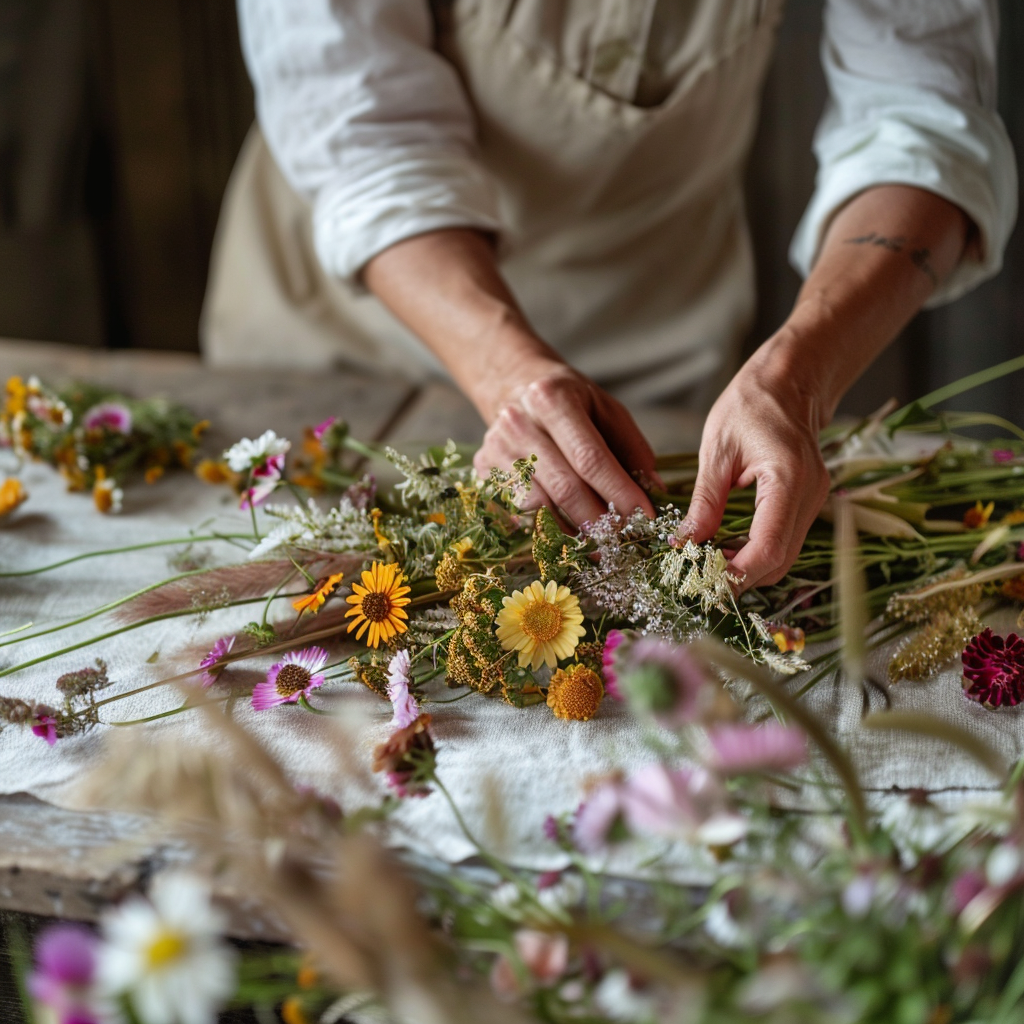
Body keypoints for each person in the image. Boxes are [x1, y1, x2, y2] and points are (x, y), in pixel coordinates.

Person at [203, 0, 1017, 591]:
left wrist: (793, 380)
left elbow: (921, 118)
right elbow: (367, 144)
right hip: (344, 341)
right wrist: (506, 374)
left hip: (661, 351)